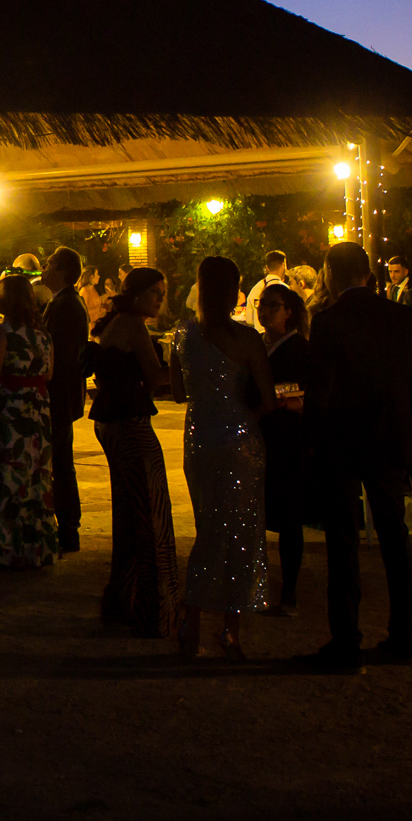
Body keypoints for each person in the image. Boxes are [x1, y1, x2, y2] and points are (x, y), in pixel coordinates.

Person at [298, 242, 412, 672]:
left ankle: (346, 639)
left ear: (331, 273)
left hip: (344, 439)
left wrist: (312, 439)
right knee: (395, 536)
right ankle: (404, 636)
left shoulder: (330, 321)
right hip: (390, 437)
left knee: (343, 540)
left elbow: (319, 389)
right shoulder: (403, 317)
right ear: (368, 274)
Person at [177, 257, 274, 659]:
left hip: (199, 437)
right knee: (240, 536)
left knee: (208, 532)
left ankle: (190, 620)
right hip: (238, 440)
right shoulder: (247, 339)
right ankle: (230, 630)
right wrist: (243, 416)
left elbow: (178, 391)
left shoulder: (183, 335)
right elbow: (268, 400)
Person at [89, 266, 181, 639]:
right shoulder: (133, 326)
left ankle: (121, 602)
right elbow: (157, 378)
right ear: (139, 294)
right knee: (151, 516)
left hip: (111, 420)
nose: (161, 299)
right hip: (130, 424)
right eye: (156, 292)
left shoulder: (118, 323)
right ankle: (153, 610)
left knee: (130, 515)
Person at [0, 273, 57, 569]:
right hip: (38, 407)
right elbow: (48, 374)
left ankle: (7, 546)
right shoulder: (43, 333)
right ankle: (36, 544)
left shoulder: (4, 331)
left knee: (9, 474)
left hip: (12, 407)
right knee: (36, 473)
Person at [255, 282, 312, 614]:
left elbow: (300, 395)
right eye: (262, 304)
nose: (264, 311)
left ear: (288, 312)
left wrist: (271, 398)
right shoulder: (257, 344)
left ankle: (289, 591)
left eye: (272, 306)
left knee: (289, 519)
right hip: (258, 437)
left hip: (287, 440)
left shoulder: (299, 349)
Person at [41, 246, 90, 554]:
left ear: (60, 271)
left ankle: (68, 527)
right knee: (60, 460)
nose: (43, 270)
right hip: (62, 393)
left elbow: (57, 354)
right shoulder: (65, 302)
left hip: (58, 393)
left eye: (48, 264)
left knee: (60, 461)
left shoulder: (66, 306)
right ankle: (66, 525)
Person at [247, 251, 289, 331]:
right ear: (283, 265)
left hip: (260, 338)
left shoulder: (255, 289)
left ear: (267, 268)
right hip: (279, 338)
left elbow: (249, 319)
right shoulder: (285, 289)